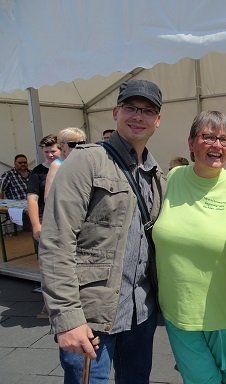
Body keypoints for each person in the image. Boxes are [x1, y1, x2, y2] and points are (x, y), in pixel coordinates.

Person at [38, 79, 167, 384]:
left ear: (157, 121)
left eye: (147, 111)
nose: (138, 116)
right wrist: (67, 317)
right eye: (131, 108)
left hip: (141, 312)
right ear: (115, 112)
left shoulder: (156, 174)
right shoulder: (87, 161)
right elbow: (56, 241)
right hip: (92, 315)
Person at [153, 111, 226, 384]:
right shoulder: (173, 178)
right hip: (177, 309)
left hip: (224, 311)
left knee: (224, 379)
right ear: (191, 143)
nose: (217, 145)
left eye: (224, 139)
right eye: (207, 137)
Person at [26, 134, 61, 248]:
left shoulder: (69, 167)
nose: (50, 155)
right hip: (45, 219)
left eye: (53, 151)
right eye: (46, 152)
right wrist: (36, 225)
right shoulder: (37, 172)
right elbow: (32, 200)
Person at [43, 127, 86, 200]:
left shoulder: (86, 161)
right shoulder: (57, 165)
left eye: (81, 143)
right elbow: (48, 196)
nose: (77, 146)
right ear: (62, 146)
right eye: (72, 144)